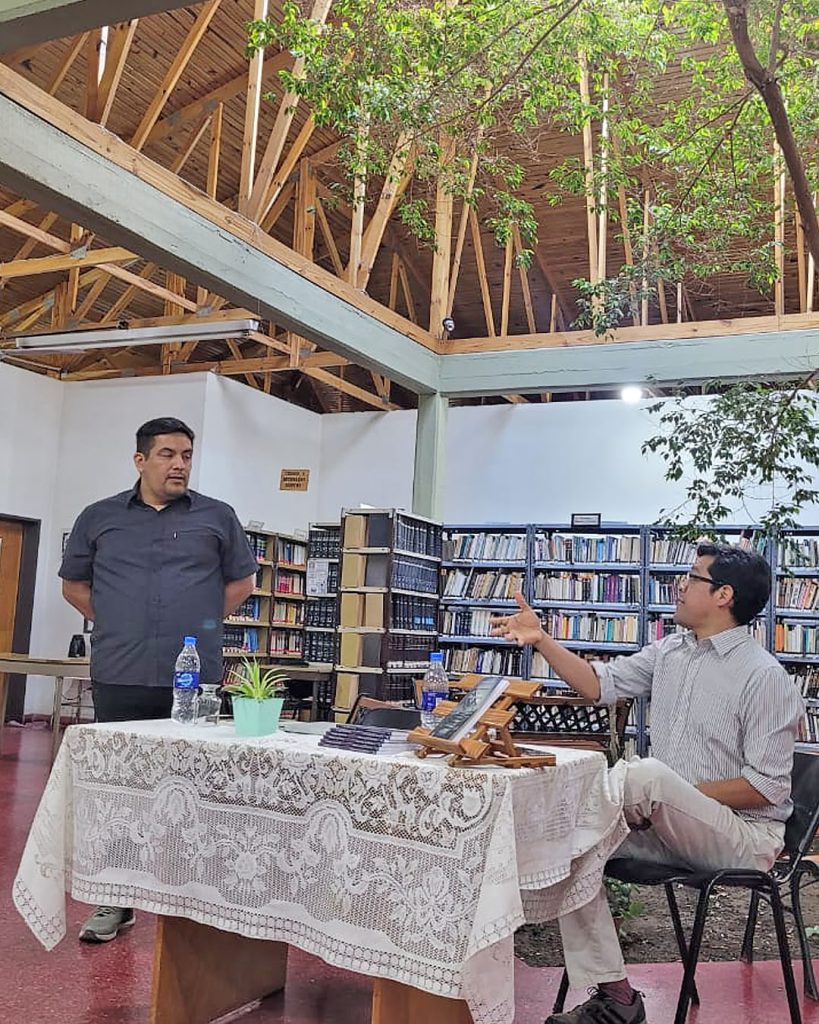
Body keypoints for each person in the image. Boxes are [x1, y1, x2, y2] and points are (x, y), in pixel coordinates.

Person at [491, 542, 804, 1024]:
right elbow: (598, 685)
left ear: (723, 594)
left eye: (692, 577)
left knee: (648, 776)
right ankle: (617, 997)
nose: (680, 585)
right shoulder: (670, 651)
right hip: (660, 823)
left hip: (743, 839)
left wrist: (670, 797)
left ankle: (633, 794)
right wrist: (541, 640)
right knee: (571, 847)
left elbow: (767, 789)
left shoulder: (764, 677)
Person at [59, 416, 258, 943]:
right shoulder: (98, 517)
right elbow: (73, 584)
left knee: (196, 787)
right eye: (168, 454)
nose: (179, 464)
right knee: (118, 791)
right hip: (121, 670)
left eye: (187, 455)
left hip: (194, 680)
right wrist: (117, 621)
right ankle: (113, 901)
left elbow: (243, 581)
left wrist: (198, 621)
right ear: (140, 460)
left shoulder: (218, 517)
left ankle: (196, 901)